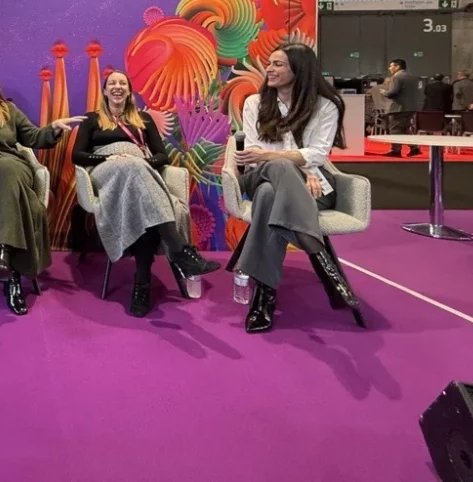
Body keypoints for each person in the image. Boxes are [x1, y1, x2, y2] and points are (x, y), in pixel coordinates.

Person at [71, 70, 219, 317]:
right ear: (105, 91)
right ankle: (179, 249)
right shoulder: (92, 119)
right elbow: (77, 155)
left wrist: (141, 162)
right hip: (106, 172)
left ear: (129, 91)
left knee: (144, 207)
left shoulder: (144, 119)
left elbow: (162, 156)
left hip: (139, 172)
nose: (117, 86)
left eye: (122, 83)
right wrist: (109, 157)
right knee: (132, 169)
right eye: (112, 83)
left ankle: (142, 284)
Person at [234, 43, 359, 334]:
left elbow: (319, 153)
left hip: (308, 187)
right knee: (277, 170)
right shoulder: (255, 103)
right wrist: (301, 168)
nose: (269, 69)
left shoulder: (325, 106)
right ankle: (317, 250)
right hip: (261, 176)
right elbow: (255, 153)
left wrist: (298, 165)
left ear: (298, 70)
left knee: (270, 197)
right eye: (269, 63)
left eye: (278, 64)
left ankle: (264, 296)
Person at [0, 66, 83, 315]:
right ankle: (13, 280)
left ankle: (1, 251)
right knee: (27, 204)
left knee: (6, 166)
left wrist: (53, 128)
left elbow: (33, 137)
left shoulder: (9, 111)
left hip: (14, 171)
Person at [380, 59, 422, 157]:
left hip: (398, 107)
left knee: (395, 129)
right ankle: (414, 148)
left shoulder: (397, 77)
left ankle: (396, 150)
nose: (389, 68)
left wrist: (384, 92)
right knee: (405, 129)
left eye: (391, 66)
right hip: (411, 107)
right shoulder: (413, 77)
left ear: (397, 66)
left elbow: (393, 92)